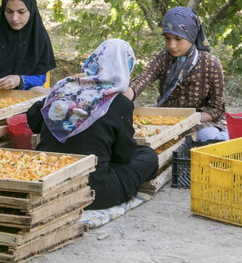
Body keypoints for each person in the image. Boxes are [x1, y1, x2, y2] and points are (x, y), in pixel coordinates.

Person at [27, 39, 158, 210]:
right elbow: (124, 155)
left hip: (48, 179)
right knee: (148, 156)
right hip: (94, 190)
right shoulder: (119, 103)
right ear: (126, 68)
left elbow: (33, 118)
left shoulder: (64, 89)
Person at [123, 6, 228, 142]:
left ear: (191, 36)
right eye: (167, 39)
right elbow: (144, 79)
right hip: (167, 120)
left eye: (178, 39)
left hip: (200, 121)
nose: (172, 45)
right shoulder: (162, 58)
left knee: (210, 137)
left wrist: (185, 121)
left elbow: (217, 108)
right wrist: (126, 96)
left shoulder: (211, 63)